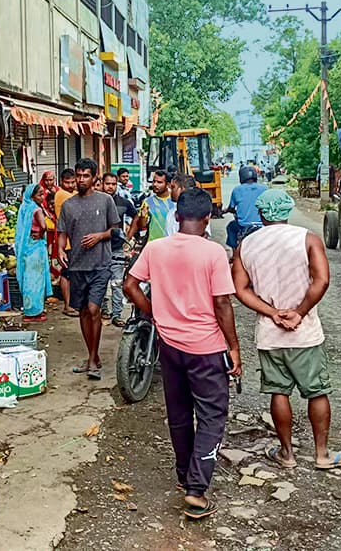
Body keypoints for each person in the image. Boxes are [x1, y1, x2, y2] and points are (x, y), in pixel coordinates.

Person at [122, 188, 241, 520]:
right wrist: (234, 348)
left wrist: (152, 314)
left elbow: (129, 285)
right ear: (207, 220)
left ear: (176, 216)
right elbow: (222, 303)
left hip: (169, 346)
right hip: (206, 349)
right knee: (211, 417)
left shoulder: (156, 248)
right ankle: (197, 490)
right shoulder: (214, 253)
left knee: (178, 413)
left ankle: (183, 475)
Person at [232, 188, 341, 472]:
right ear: (287, 211)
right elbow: (321, 281)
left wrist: (273, 313)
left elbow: (240, 289)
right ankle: (322, 455)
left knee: (279, 393)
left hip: (270, 334)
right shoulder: (307, 239)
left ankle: (287, 455)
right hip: (305, 332)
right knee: (317, 392)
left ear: (261, 214)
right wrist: (298, 312)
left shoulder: (246, 245)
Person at [57, 158, 120, 379]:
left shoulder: (105, 202)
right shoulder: (68, 205)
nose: (81, 180)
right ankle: (92, 356)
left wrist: (99, 236)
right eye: (78, 175)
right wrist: (60, 250)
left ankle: (93, 359)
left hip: (100, 264)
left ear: (95, 178)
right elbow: (62, 232)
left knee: (94, 310)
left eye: (86, 176)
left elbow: (115, 230)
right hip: (76, 266)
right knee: (83, 311)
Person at [101, 172, 138, 327]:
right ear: (102, 184)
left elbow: (137, 217)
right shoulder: (96, 202)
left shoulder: (123, 202)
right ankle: (103, 309)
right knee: (100, 283)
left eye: (113, 184)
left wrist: (128, 237)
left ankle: (117, 315)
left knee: (117, 283)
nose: (110, 187)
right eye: (108, 183)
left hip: (116, 249)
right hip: (98, 249)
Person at [15, 183, 53, 322]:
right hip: (36, 248)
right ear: (32, 196)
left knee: (28, 279)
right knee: (36, 281)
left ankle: (29, 309)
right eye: (39, 195)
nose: (42, 197)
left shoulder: (24, 207)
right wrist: (41, 233)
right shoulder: (36, 209)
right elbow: (44, 226)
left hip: (26, 247)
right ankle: (34, 313)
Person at [224, 166, 268, 248]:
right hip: (263, 224)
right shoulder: (264, 188)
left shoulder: (237, 190)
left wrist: (225, 211)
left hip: (244, 225)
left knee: (231, 227)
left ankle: (235, 252)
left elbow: (231, 207)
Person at [54, 168, 78, 316]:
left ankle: (73, 304)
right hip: (67, 242)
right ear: (61, 182)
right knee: (66, 274)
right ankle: (68, 305)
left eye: (72, 182)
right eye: (67, 182)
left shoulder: (73, 194)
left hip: (75, 242)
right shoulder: (61, 195)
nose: (70, 185)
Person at [127, 170, 174, 244]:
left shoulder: (175, 200)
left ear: (168, 184)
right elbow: (142, 225)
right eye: (154, 181)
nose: (155, 184)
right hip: (153, 244)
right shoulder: (147, 202)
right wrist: (143, 217)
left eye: (159, 182)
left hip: (172, 243)